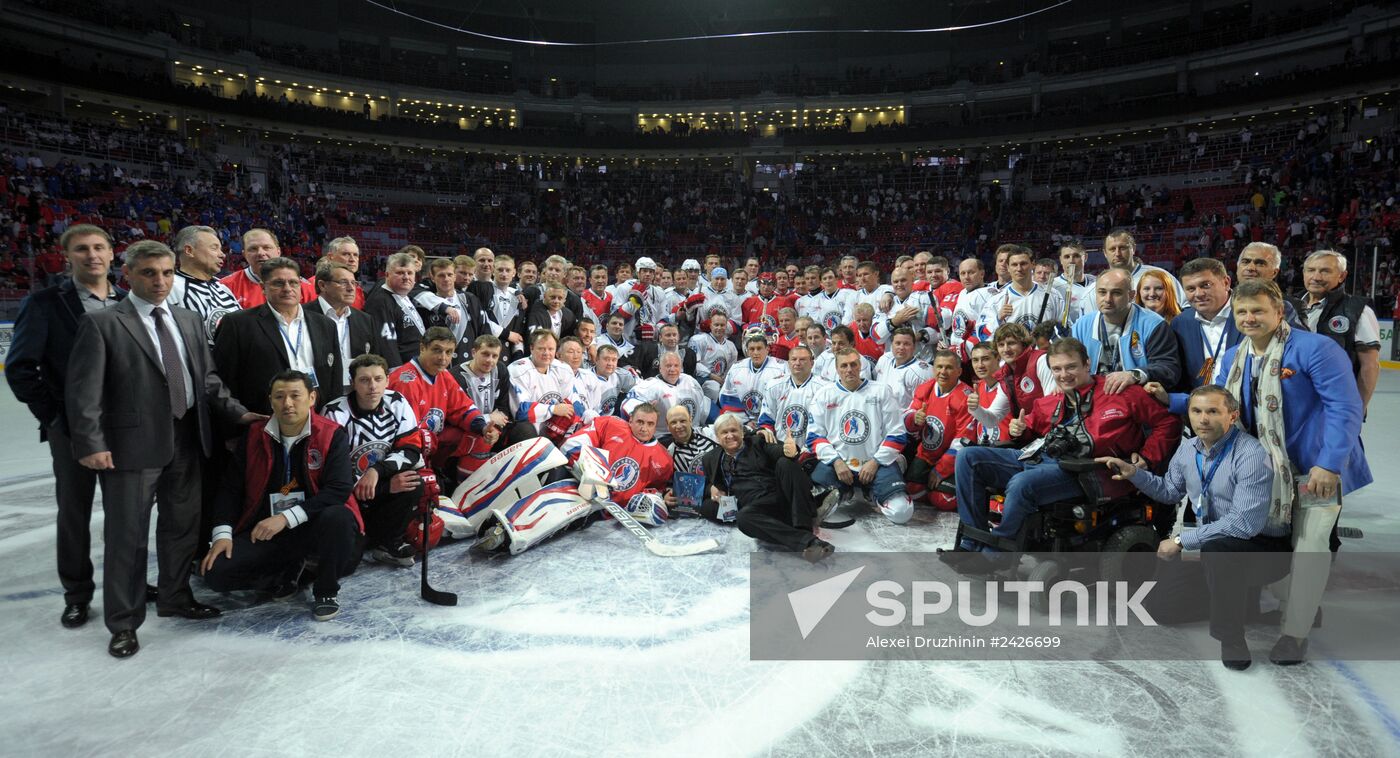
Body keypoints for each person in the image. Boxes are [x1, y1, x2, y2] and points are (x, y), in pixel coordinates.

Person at [1149, 279, 1370, 665]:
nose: (1249, 318)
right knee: (1272, 546)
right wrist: (1170, 398)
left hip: (1314, 471)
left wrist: (1329, 463)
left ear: (1279, 312)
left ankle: (1295, 633)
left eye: (1258, 311)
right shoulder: (1236, 354)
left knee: (1310, 549)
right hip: (1263, 471)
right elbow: (1216, 401)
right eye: (1242, 312)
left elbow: (1345, 408)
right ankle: (1277, 604)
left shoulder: (1317, 349)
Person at [66, 241, 259, 658]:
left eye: (167, 273)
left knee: (182, 528)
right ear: (128, 275)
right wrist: (91, 443)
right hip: (130, 448)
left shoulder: (187, 320)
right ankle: (123, 622)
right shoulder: (103, 323)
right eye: (150, 273)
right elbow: (83, 394)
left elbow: (208, 381)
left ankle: (174, 596)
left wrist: (240, 414)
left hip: (189, 438)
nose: (160, 281)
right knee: (127, 537)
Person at [1098, 386, 1288, 670]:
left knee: (1219, 548)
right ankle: (1239, 600)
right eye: (1196, 411)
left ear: (1232, 416)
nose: (1203, 419)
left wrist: (1181, 540)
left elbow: (1243, 523)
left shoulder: (1251, 454)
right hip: (1211, 542)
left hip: (1262, 546)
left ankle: (1232, 638)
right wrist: (1134, 474)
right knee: (1162, 609)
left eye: (1213, 411)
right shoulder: (1188, 449)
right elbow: (1169, 491)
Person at [950, 338, 1179, 557]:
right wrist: (1019, 429)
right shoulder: (1050, 401)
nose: (1063, 375)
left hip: (1092, 472)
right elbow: (1030, 427)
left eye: (1071, 367)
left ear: (1087, 364)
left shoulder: (1121, 392)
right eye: (1057, 369)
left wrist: (1148, 457)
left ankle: (997, 552)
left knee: (1021, 484)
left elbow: (1168, 423)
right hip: (1044, 460)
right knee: (968, 457)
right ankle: (972, 544)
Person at [6, 224, 128, 629]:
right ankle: (77, 594)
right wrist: (57, 418)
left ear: (113, 254)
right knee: (74, 514)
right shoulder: (44, 303)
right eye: (81, 249)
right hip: (73, 430)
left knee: (124, 514)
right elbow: (22, 368)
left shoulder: (128, 302)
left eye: (99, 247)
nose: (92, 255)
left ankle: (124, 585)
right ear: (67, 257)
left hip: (126, 427)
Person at [201, 371, 361, 624]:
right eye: (280, 397)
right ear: (271, 401)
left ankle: (325, 591)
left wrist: (286, 518)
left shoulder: (331, 434)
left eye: (295, 396)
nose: (287, 403)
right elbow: (230, 488)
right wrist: (222, 535)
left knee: (338, 516)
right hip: (269, 530)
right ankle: (288, 572)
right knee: (216, 573)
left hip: (315, 526)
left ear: (312, 398)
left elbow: (339, 490)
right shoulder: (253, 436)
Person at [322, 354, 426, 567]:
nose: (372, 386)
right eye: (364, 380)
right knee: (348, 562)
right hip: (347, 493)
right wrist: (367, 483)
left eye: (378, 379)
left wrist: (377, 472)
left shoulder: (397, 402)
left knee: (413, 482)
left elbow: (412, 449)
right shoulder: (334, 412)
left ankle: (388, 542)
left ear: (387, 380)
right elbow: (332, 467)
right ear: (352, 383)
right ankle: (362, 537)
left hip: (378, 482)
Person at [213, 257, 344, 415]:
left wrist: (331, 416)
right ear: (263, 287)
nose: (288, 288)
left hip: (316, 421)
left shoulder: (325, 324)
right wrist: (238, 415)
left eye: (293, 282)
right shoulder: (238, 324)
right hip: (262, 421)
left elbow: (335, 378)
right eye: (278, 283)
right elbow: (221, 379)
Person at [703, 413, 833, 561]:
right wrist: (712, 488)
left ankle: (804, 529)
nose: (730, 435)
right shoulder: (710, 459)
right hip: (755, 509)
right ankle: (808, 538)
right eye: (724, 432)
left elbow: (777, 450)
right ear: (717, 437)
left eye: (734, 430)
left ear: (742, 431)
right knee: (743, 518)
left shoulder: (757, 441)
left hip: (778, 497)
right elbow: (704, 485)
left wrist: (789, 450)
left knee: (786, 463)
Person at [806, 348, 914, 525]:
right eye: (844, 365)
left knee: (903, 512)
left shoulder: (881, 391)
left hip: (876, 465)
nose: (849, 369)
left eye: (853, 364)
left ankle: (870, 491)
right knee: (810, 507)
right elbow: (814, 437)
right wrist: (836, 461)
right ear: (837, 368)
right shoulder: (824, 394)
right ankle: (846, 491)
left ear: (860, 366)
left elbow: (897, 434)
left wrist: (875, 462)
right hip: (838, 466)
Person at [388, 327, 499, 476]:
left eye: (449, 352)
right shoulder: (406, 381)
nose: (443, 358)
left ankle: (467, 491)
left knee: (478, 436)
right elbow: (406, 435)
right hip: (405, 449)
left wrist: (484, 428)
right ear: (422, 348)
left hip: (431, 442)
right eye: (437, 350)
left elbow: (463, 408)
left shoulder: (443, 374)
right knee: (428, 489)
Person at [1070, 268, 1181, 392]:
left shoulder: (1153, 324)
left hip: (1136, 399)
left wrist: (1134, 375)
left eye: (1116, 293)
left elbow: (1169, 368)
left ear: (1131, 296)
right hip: (1093, 399)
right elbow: (1067, 362)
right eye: (1102, 292)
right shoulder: (1081, 325)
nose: (1107, 299)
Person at [561, 405, 674, 525]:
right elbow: (570, 445)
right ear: (630, 420)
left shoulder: (664, 459)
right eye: (640, 422)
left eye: (650, 424)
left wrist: (662, 496)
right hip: (584, 498)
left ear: (655, 426)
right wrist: (589, 470)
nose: (644, 428)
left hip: (616, 516)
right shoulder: (611, 425)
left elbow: (657, 489)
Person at [1299, 250, 1382, 413]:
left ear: (1342, 276)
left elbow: (1370, 365)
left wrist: (1356, 411)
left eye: (1325, 271)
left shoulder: (1358, 310)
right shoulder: (1288, 307)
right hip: (1293, 404)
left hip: (1333, 407)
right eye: (1311, 270)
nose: (1316, 277)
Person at [903, 350, 975, 510]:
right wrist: (914, 418)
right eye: (939, 367)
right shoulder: (925, 388)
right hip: (926, 454)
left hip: (952, 460)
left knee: (943, 499)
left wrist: (941, 470)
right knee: (911, 491)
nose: (943, 372)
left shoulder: (966, 397)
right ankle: (933, 487)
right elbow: (908, 414)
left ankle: (942, 487)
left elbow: (964, 439)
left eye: (949, 367)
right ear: (933, 369)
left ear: (959, 371)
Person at [313, 260, 398, 387]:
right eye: (343, 282)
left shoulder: (365, 319)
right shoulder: (303, 315)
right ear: (322, 285)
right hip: (317, 392)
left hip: (356, 393)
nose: (351, 288)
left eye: (353, 283)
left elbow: (374, 359)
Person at [1171, 258, 1241, 390]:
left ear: (1226, 283)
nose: (1199, 294)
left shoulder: (1249, 316)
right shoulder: (1180, 323)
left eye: (1205, 285)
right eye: (1191, 289)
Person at [507, 330, 583, 444]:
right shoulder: (517, 369)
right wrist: (554, 409)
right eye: (541, 348)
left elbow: (575, 403)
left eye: (551, 349)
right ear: (531, 348)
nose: (546, 353)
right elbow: (520, 412)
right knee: (525, 429)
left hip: (552, 429)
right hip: (525, 431)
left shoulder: (563, 369)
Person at [167, 225, 240, 344]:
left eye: (220, 249)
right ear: (189, 251)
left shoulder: (223, 288)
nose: (222, 255)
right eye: (214, 248)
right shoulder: (169, 288)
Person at [976, 248, 1063, 342]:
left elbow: (1065, 329)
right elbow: (982, 335)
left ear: (1033, 264)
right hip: (1012, 355)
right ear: (1008, 268)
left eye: (1023, 264)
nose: (1019, 269)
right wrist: (998, 318)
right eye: (1014, 264)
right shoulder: (996, 301)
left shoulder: (1052, 295)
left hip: (1044, 355)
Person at [757, 344, 831, 448]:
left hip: (813, 450)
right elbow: (766, 420)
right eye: (794, 359)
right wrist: (765, 431)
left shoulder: (825, 388)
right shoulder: (774, 385)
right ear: (788, 363)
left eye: (802, 359)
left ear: (812, 363)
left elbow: (829, 425)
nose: (797, 363)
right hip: (780, 447)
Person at [219, 228, 315, 308]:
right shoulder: (225, 287)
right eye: (253, 249)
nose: (261, 253)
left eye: (267, 247)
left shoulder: (304, 288)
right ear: (244, 254)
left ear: (278, 251)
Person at [363, 250, 429, 365]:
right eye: (400, 273)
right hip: (400, 371)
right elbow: (386, 343)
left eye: (410, 273)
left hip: (414, 367)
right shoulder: (381, 300)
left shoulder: (402, 296)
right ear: (387, 275)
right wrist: (396, 372)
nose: (406, 277)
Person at [623, 352, 709, 433]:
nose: (672, 369)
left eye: (676, 365)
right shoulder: (650, 386)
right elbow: (626, 406)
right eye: (668, 366)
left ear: (681, 367)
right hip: (665, 436)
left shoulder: (690, 381)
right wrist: (644, 409)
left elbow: (704, 405)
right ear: (660, 368)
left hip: (694, 432)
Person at [720, 333, 790, 427]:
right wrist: (744, 421)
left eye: (759, 348)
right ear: (747, 351)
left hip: (772, 423)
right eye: (752, 349)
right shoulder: (736, 368)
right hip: (743, 422)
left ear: (767, 349)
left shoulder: (782, 368)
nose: (756, 352)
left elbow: (786, 399)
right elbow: (728, 396)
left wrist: (767, 423)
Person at [1103, 229, 1185, 304]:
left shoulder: (1160, 275)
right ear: (1105, 253)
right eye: (1112, 249)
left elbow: (1184, 306)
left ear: (1133, 249)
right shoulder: (1099, 286)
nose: (1117, 253)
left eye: (1123, 248)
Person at [1236, 242, 1306, 328]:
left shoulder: (1292, 306)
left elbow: (1302, 339)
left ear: (1274, 273)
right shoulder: (1223, 303)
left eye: (1260, 263)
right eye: (1245, 262)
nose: (1250, 268)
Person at [874, 328, 934, 409]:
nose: (901, 347)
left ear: (914, 347)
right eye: (898, 343)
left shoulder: (920, 372)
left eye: (906, 344)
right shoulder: (884, 359)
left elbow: (922, 407)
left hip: (903, 419)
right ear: (892, 345)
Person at [690, 312, 739, 404]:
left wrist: (726, 381)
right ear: (711, 325)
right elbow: (695, 364)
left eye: (722, 325)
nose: (719, 328)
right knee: (713, 387)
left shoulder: (731, 346)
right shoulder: (700, 340)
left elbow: (731, 369)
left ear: (726, 326)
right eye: (716, 325)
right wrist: (712, 376)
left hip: (720, 380)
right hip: (701, 378)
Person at [1050, 241, 1097, 327]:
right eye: (1067, 257)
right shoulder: (1053, 287)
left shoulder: (1097, 283)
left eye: (1076, 256)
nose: (1071, 261)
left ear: (1085, 257)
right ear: (1060, 260)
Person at [322, 236, 366, 309]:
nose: (352, 259)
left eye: (355, 255)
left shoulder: (357, 290)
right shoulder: (309, 287)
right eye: (346, 254)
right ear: (330, 257)